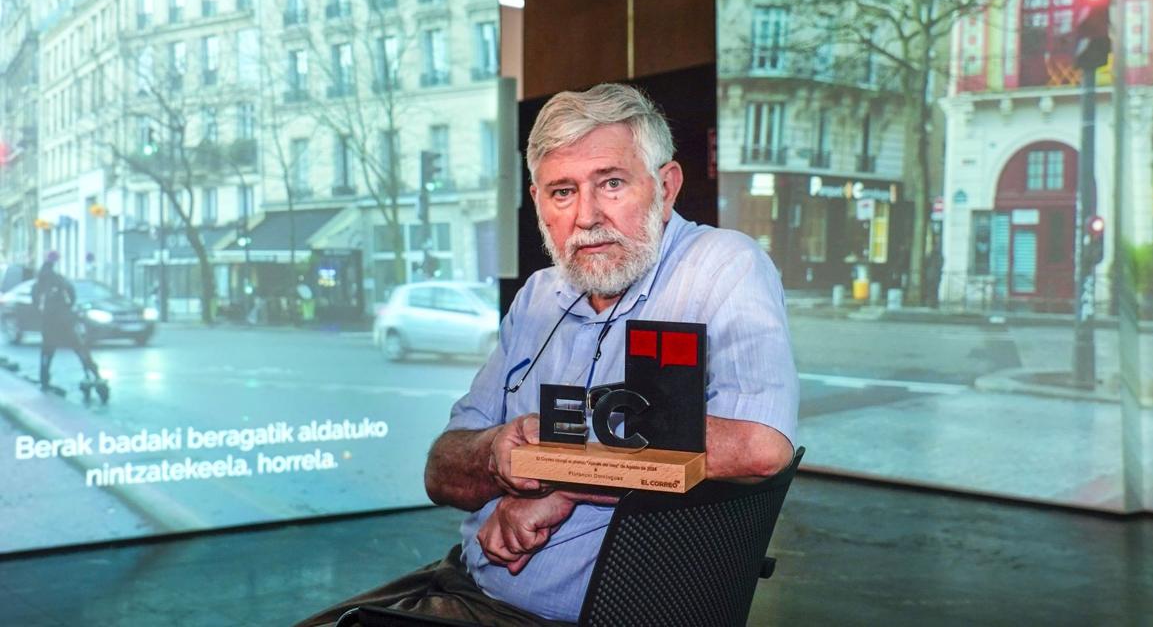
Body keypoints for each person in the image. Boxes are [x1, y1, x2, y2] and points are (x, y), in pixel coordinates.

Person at [297, 83, 799, 626]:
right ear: (537, 203)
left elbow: (759, 445)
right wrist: (496, 453)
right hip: (467, 582)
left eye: (611, 183)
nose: (586, 216)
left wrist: (560, 481)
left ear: (665, 186)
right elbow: (442, 473)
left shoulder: (720, 266)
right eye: (562, 192)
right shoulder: (539, 295)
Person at [32, 252, 105, 399]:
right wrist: (68, 310)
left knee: (47, 352)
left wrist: (42, 314)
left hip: (49, 323)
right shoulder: (61, 280)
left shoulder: (39, 283)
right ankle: (94, 373)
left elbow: (35, 301)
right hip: (65, 321)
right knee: (79, 348)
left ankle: (44, 380)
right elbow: (72, 296)